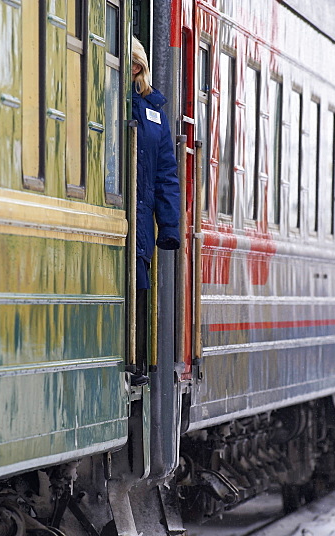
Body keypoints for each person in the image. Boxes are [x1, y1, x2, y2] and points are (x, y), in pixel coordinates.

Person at [129, 37, 180, 385]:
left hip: (143, 223)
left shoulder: (154, 112)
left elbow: (166, 173)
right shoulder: (112, 99)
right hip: (125, 212)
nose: (133, 69)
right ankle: (132, 362)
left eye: (136, 63)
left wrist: (171, 225)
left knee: (140, 282)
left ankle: (137, 364)